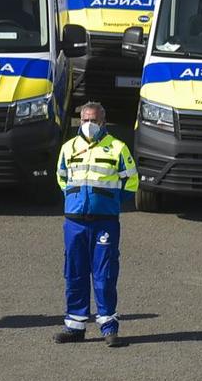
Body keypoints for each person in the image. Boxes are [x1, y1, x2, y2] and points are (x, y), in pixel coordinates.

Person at [53, 100, 139, 346]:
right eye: (85, 120)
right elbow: (62, 179)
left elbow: (131, 183)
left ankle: (108, 326)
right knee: (74, 273)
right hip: (75, 222)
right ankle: (75, 326)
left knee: (105, 274)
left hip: (105, 223)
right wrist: (75, 201)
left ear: (103, 122)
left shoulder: (118, 148)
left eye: (94, 120)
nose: (89, 124)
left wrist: (110, 204)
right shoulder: (68, 148)